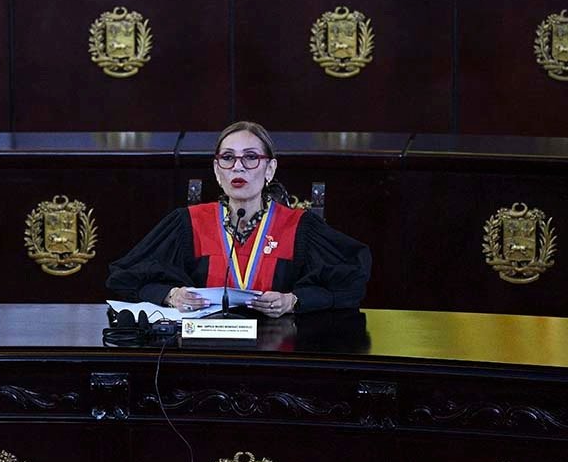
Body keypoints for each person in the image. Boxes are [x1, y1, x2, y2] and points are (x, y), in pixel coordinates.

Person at [107, 121, 371, 316]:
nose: (238, 166)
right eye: (228, 158)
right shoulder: (188, 222)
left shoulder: (299, 226)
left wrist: (294, 300)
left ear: (270, 169)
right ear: (217, 170)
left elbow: (351, 282)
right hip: (204, 352)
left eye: (251, 157)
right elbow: (125, 276)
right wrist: (171, 295)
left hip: (278, 350)